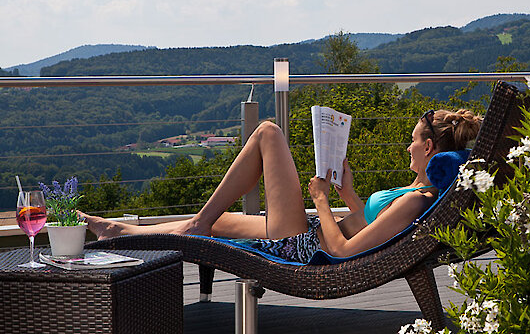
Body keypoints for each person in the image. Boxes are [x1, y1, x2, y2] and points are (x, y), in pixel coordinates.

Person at [83, 109, 482, 264]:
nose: (407, 145)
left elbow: (343, 248)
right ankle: (120, 231)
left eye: (413, 140)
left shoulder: (417, 200)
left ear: (428, 147)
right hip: (311, 234)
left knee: (268, 133)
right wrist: (346, 193)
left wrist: (322, 200)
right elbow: (366, 223)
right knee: (222, 222)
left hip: (308, 246)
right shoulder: (415, 190)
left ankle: (195, 226)